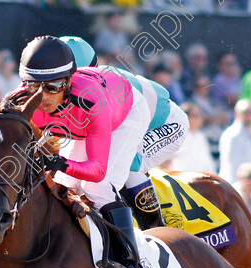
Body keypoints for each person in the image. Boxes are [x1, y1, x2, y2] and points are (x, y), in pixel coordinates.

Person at [20, 36, 150, 268]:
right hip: (79, 121)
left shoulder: (94, 103)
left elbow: (97, 169)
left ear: (68, 81)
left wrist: (59, 162)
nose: (42, 97)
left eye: (53, 87)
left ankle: (132, 265)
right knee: (65, 183)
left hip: (124, 114)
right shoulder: (20, 99)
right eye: (34, 86)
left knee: (97, 186)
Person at [60, 36, 189, 231]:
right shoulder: (90, 85)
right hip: (135, 118)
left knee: (128, 164)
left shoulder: (102, 89)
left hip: (167, 123)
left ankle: (156, 229)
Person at [218, 100, 251, 183]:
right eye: (246, 113)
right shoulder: (231, 135)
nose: (249, 116)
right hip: (235, 185)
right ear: (237, 114)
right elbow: (231, 167)